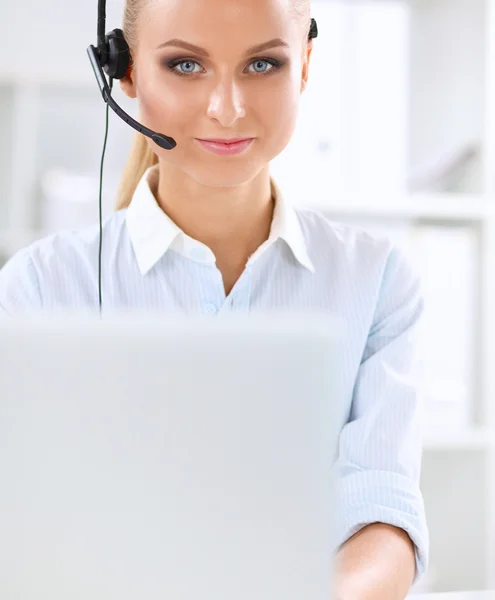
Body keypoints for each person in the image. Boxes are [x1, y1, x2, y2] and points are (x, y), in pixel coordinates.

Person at [0, 0, 429, 596]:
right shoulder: (41, 290)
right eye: (184, 65)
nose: (227, 108)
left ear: (304, 64)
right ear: (122, 70)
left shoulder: (376, 281)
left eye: (262, 66)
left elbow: (384, 517)